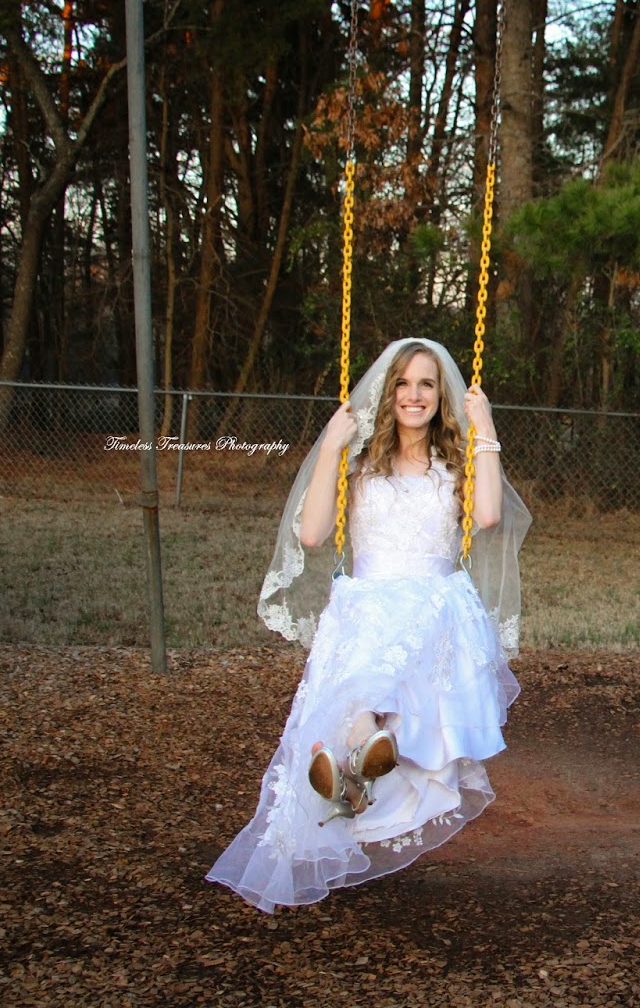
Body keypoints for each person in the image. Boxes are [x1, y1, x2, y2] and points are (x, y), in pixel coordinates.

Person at [208, 338, 529, 912]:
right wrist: (331, 445)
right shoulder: (357, 467)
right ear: (388, 393)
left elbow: (487, 516)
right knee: (369, 649)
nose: (414, 395)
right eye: (403, 383)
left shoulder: (456, 466)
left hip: (433, 605)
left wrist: (485, 428)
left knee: (394, 651)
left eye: (426, 384)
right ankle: (359, 759)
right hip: (368, 603)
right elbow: (312, 534)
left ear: (441, 395)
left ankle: (359, 751)